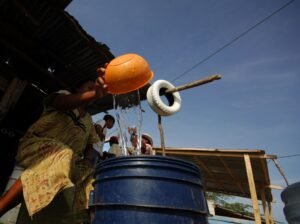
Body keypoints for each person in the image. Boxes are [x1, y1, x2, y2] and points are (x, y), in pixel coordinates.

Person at [0, 68, 107, 223]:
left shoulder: (89, 120)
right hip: (37, 144)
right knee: (60, 154)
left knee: (91, 179)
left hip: (69, 159)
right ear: (78, 88)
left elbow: (93, 142)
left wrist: (88, 160)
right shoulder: (64, 95)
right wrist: (95, 93)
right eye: (89, 88)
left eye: (95, 89)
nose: (93, 91)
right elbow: (61, 104)